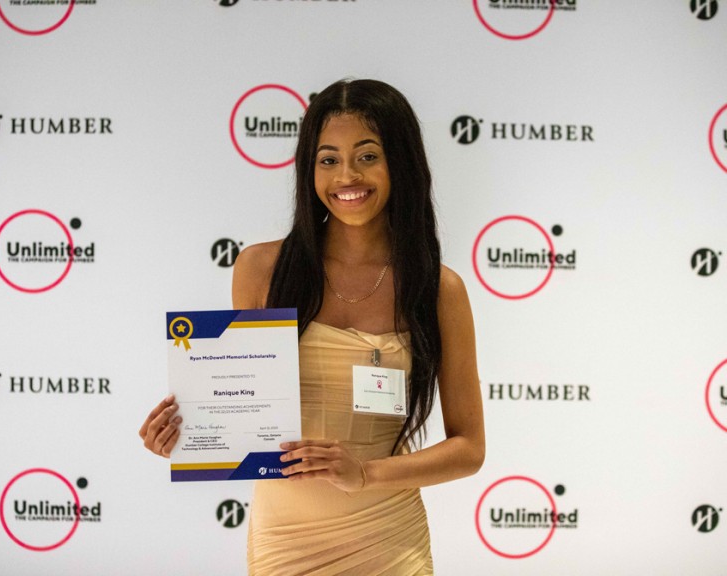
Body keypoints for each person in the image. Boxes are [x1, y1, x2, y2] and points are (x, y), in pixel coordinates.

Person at [139, 79, 485, 575]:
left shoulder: (437, 289)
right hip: (285, 543)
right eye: (328, 159)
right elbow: (244, 411)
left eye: (368, 156)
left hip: (388, 541)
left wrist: (365, 474)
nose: (347, 175)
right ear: (309, 169)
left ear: (400, 163)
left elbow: (468, 449)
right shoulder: (261, 270)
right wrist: (184, 432)